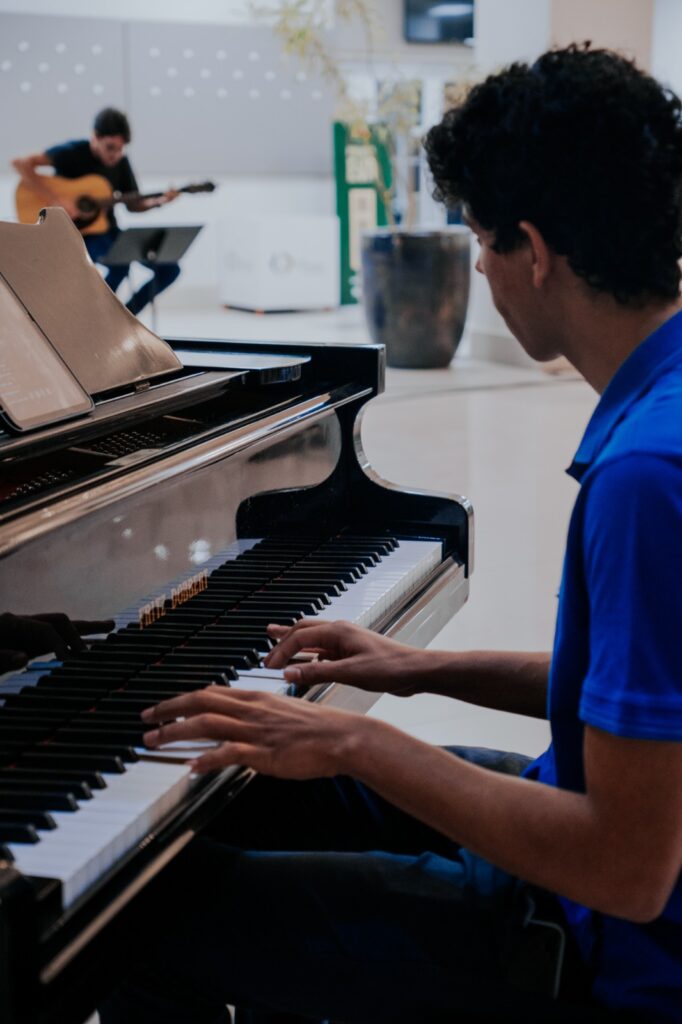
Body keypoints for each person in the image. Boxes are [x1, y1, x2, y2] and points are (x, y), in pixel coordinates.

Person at [99, 46, 682, 1023]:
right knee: (248, 790)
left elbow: (627, 868)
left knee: (136, 909)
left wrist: (354, 740)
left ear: (534, 251)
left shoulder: (646, 478)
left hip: (604, 950)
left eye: (479, 241)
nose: (481, 269)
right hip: (587, 837)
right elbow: (638, 690)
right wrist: (413, 669)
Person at [12, 107, 180, 317]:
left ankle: (125, 317)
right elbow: (21, 164)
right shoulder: (72, 152)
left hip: (107, 230)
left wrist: (159, 201)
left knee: (170, 269)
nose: (115, 154)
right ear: (95, 137)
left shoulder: (121, 162)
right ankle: (98, 317)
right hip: (77, 235)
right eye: (110, 147)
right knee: (120, 265)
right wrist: (56, 199)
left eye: (121, 149)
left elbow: (133, 204)